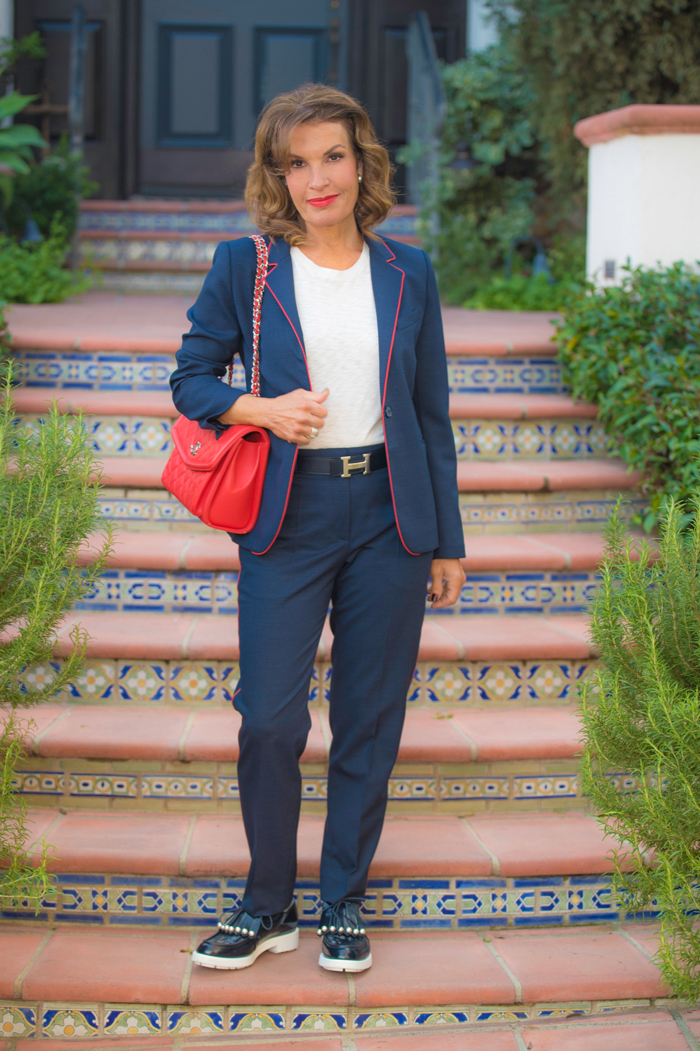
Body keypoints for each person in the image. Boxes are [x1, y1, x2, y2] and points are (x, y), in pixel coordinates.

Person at [170, 83, 465, 974]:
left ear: (362, 161)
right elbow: (191, 380)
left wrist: (446, 537)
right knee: (267, 719)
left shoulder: (409, 271)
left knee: (369, 718)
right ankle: (269, 903)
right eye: (295, 163)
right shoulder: (246, 266)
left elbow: (431, 410)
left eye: (332, 155)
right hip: (288, 515)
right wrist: (260, 406)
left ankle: (342, 899)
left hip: (389, 517)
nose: (316, 178)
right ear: (276, 175)